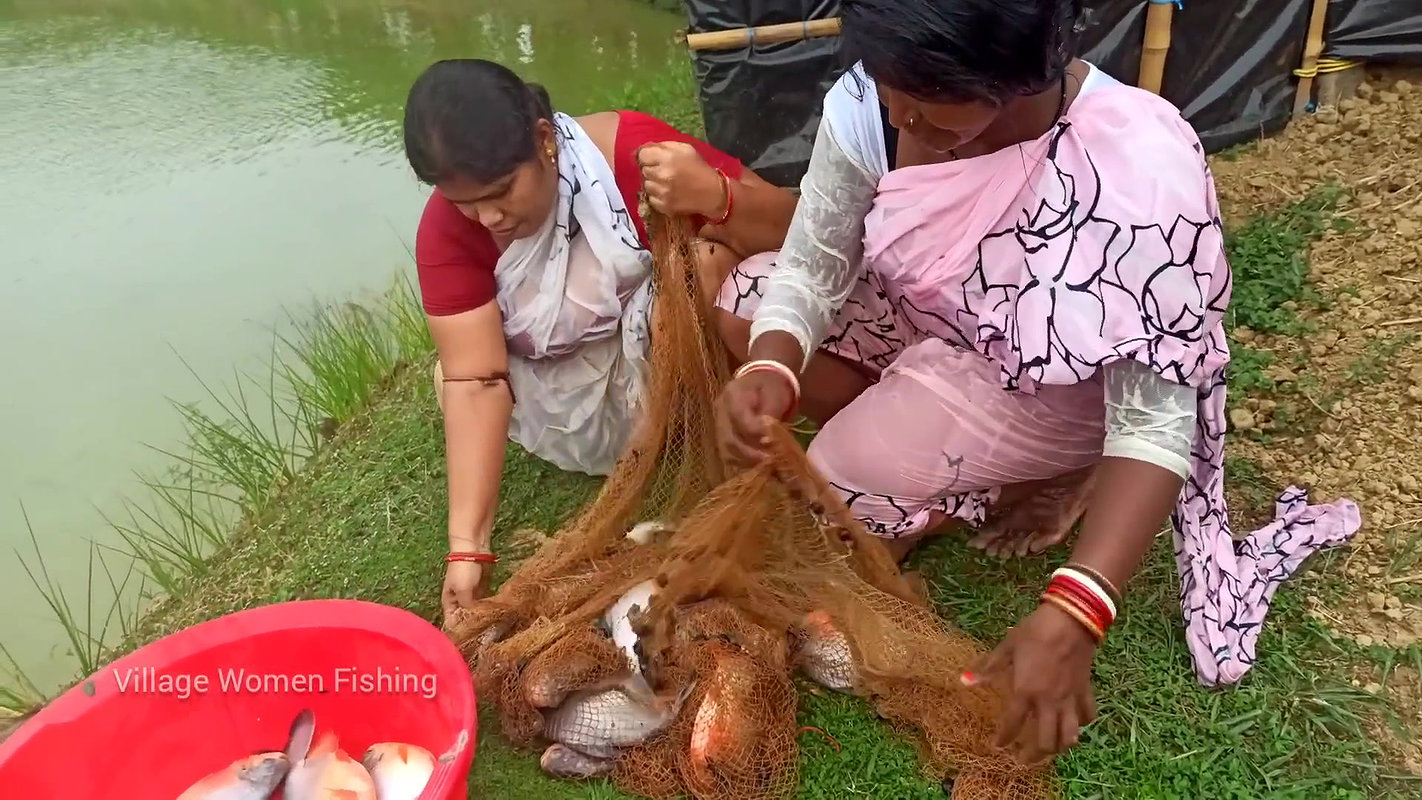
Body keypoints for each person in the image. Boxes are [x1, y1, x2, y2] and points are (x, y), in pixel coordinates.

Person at [714, 0, 1361, 766]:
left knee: (840, 479)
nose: (902, 117)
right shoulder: (872, 101)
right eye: (893, 91)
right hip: (945, 321)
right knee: (745, 305)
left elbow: (1155, 421)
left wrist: (1081, 604)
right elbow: (814, 264)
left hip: (1057, 383)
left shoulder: (1136, 167)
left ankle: (1045, 465)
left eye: (929, 109)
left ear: (1021, 75)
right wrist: (768, 364)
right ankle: (932, 446)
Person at [401, 59, 798, 620]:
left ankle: (696, 427)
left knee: (710, 265)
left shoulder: (631, 154)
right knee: (452, 374)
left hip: (668, 363)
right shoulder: (447, 230)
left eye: (500, 192)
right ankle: (637, 452)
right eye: (465, 202)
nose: (487, 216)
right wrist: (468, 548)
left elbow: (797, 231)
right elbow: (479, 380)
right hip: (564, 402)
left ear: (544, 140)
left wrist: (715, 197)